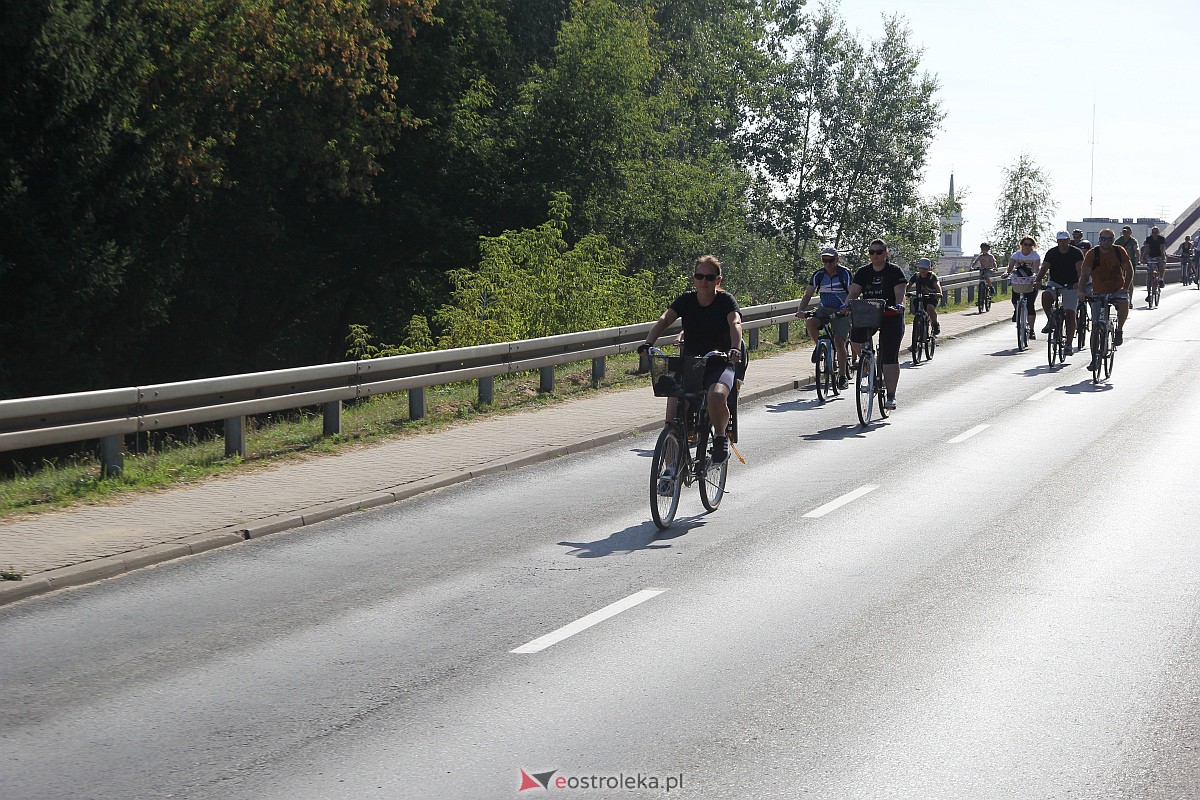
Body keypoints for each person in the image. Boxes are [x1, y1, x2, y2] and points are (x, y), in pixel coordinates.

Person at [640, 255, 743, 463]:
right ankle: (669, 470)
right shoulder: (686, 300)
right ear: (694, 278)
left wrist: (734, 348)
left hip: (719, 361)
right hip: (691, 363)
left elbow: (735, 323)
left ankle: (721, 437)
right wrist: (649, 343)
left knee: (716, 396)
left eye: (709, 277)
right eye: (699, 276)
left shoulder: (725, 301)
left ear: (718, 280)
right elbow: (665, 319)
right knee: (672, 413)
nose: (704, 281)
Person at [841, 239, 907, 410]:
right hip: (868, 312)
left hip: (891, 313)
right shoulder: (863, 272)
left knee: (889, 355)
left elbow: (900, 292)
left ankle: (890, 396)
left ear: (886, 253)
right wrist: (847, 304)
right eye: (872, 252)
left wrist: (899, 305)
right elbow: (854, 292)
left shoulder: (895, 271)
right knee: (855, 337)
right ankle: (868, 364)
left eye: (878, 252)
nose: (875, 256)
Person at [797, 246, 852, 388]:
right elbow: (808, 294)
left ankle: (842, 376)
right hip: (824, 308)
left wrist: (846, 307)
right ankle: (819, 346)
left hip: (841, 310)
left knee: (839, 341)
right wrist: (801, 310)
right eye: (824, 260)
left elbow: (852, 292)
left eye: (830, 260)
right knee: (810, 322)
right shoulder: (819, 275)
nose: (827, 264)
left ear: (837, 260)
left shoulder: (844, 273)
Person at [1079, 227, 1134, 370]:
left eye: (1109, 239)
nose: (1106, 242)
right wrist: (1080, 291)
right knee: (1096, 325)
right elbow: (1084, 275)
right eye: (1103, 239)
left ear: (1113, 240)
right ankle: (1093, 359)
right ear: (1099, 240)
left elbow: (1129, 270)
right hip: (1098, 291)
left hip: (1117, 289)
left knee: (1123, 303)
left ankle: (1119, 330)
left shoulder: (1119, 251)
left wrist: (1125, 288)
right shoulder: (1092, 253)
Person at [1036, 232, 1084, 355]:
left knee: (1070, 313)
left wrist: (1079, 283)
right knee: (1046, 295)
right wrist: (1037, 281)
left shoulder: (1076, 252)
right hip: (1055, 282)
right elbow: (1044, 268)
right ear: (1057, 241)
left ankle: (1068, 344)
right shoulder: (1052, 253)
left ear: (1069, 240)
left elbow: (1080, 269)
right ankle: (1050, 319)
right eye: (1059, 241)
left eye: (1064, 240)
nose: (1062, 243)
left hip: (1071, 284)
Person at [1005, 235, 1041, 338]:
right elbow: (1010, 266)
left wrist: (1036, 276)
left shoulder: (1035, 256)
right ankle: (1017, 310)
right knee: (1014, 299)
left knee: (1030, 305)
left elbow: (1036, 269)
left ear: (1033, 246)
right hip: (1019, 281)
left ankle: (1032, 330)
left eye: (1030, 245)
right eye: (1025, 244)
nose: (1027, 247)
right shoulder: (1017, 254)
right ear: (1021, 245)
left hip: (1030, 281)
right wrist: (1007, 273)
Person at [906, 258, 942, 335]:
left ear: (929, 269)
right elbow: (909, 285)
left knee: (930, 308)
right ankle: (918, 330)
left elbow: (937, 285)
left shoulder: (932, 277)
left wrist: (938, 293)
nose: (922, 271)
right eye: (921, 268)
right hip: (920, 297)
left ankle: (935, 324)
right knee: (916, 310)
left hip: (931, 298)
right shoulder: (916, 276)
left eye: (925, 269)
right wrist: (903, 291)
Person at [1141, 225, 1168, 295]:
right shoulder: (1149, 239)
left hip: (1159, 255)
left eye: (1156, 232)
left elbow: (1162, 250)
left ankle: (1161, 279)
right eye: (1153, 232)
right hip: (1151, 256)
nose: (1154, 234)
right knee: (1149, 273)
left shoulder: (1161, 239)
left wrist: (1163, 259)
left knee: (1161, 265)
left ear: (1158, 233)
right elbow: (1146, 249)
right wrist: (1143, 258)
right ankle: (1148, 292)